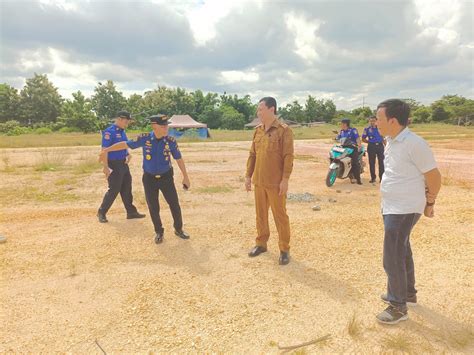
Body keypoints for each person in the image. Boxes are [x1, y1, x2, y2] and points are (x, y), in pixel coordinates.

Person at [375, 99, 441, 325]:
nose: (376, 122)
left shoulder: (415, 143)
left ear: (392, 120)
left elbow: (434, 176)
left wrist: (430, 203)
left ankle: (397, 306)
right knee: (401, 249)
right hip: (392, 206)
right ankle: (408, 294)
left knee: (391, 255)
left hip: (404, 209)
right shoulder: (391, 140)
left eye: (379, 118)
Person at [100, 114, 191, 244]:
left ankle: (179, 229)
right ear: (154, 126)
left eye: (167, 125)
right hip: (149, 179)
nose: (166, 128)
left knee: (174, 204)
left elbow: (178, 158)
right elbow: (125, 144)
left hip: (166, 177)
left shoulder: (170, 141)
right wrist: (107, 150)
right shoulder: (145, 138)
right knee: (153, 207)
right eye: (163, 126)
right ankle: (159, 232)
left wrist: (185, 177)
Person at [245, 97, 294, 265]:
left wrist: (285, 179)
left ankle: (284, 249)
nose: (258, 112)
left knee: (280, 216)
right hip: (259, 180)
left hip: (275, 182)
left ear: (271, 109)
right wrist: (247, 176)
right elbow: (252, 155)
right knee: (260, 215)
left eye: (261, 109)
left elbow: (288, 156)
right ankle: (261, 243)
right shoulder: (257, 131)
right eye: (258, 110)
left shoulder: (284, 131)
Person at [97, 111, 145, 223]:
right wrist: (105, 167)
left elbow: (124, 145)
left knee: (127, 187)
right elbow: (104, 150)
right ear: (119, 119)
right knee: (114, 189)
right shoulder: (109, 132)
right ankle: (102, 212)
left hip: (123, 163)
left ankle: (131, 212)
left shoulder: (122, 131)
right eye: (126, 121)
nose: (127, 124)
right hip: (113, 164)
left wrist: (127, 153)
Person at [336, 118, 362, 184]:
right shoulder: (341, 131)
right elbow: (338, 137)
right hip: (343, 148)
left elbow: (357, 138)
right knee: (337, 158)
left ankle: (358, 179)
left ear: (345, 124)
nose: (341, 125)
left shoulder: (353, 130)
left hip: (352, 148)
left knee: (355, 164)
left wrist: (359, 145)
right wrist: (336, 138)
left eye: (341, 124)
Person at [362, 115, 385, 183]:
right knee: (372, 163)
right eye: (371, 121)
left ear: (376, 121)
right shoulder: (366, 129)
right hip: (371, 147)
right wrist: (369, 142)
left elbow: (383, 138)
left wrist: (386, 146)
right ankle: (373, 178)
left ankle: (381, 178)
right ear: (369, 121)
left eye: (374, 121)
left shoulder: (381, 128)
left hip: (380, 146)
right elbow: (363, 138)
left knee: (381, 163)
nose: (372, 122)